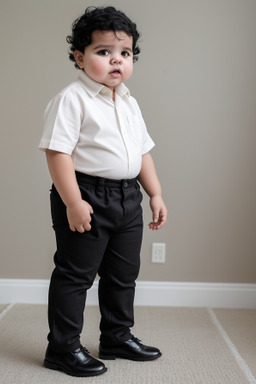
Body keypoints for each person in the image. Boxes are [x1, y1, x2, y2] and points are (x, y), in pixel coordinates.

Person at [39, 6, 167, 378]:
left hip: (129, 198)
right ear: (80, 57)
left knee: (123, 274)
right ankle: (62, 348)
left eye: (125, 53)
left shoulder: (128, 102)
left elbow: (142, 152)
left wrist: (154, 194)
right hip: (87, 195)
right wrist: (73, 202)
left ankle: (116, 336)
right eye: (103, 51)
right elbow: (57, 152)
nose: (116, 60)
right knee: (75, 274)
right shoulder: (72, 99)